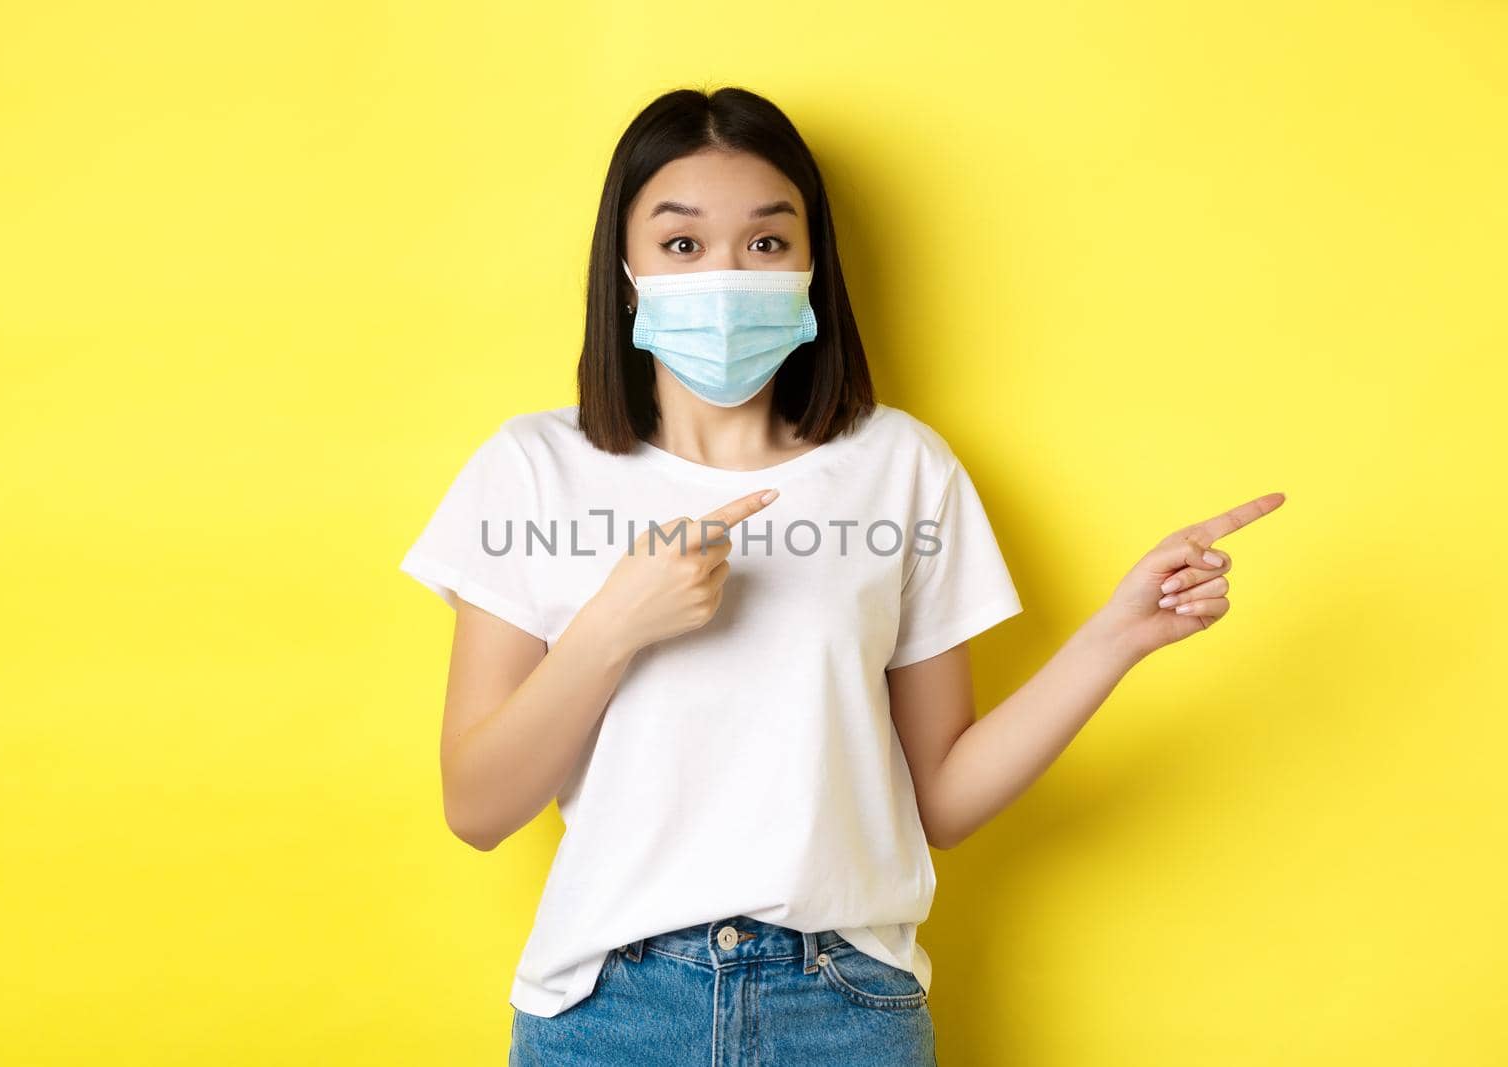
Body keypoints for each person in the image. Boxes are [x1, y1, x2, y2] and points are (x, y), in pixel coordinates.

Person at [398, 85, 1285, 1067]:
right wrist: (614, 621)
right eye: (683, 245)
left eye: (767, 243)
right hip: (605, 1008)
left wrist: (1117, 634)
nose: (727, 273)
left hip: (843, 1004)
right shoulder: (531, 466)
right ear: (625, 269)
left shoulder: (899, 466)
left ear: (812, 268)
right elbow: (477, 806)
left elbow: (941, 797)